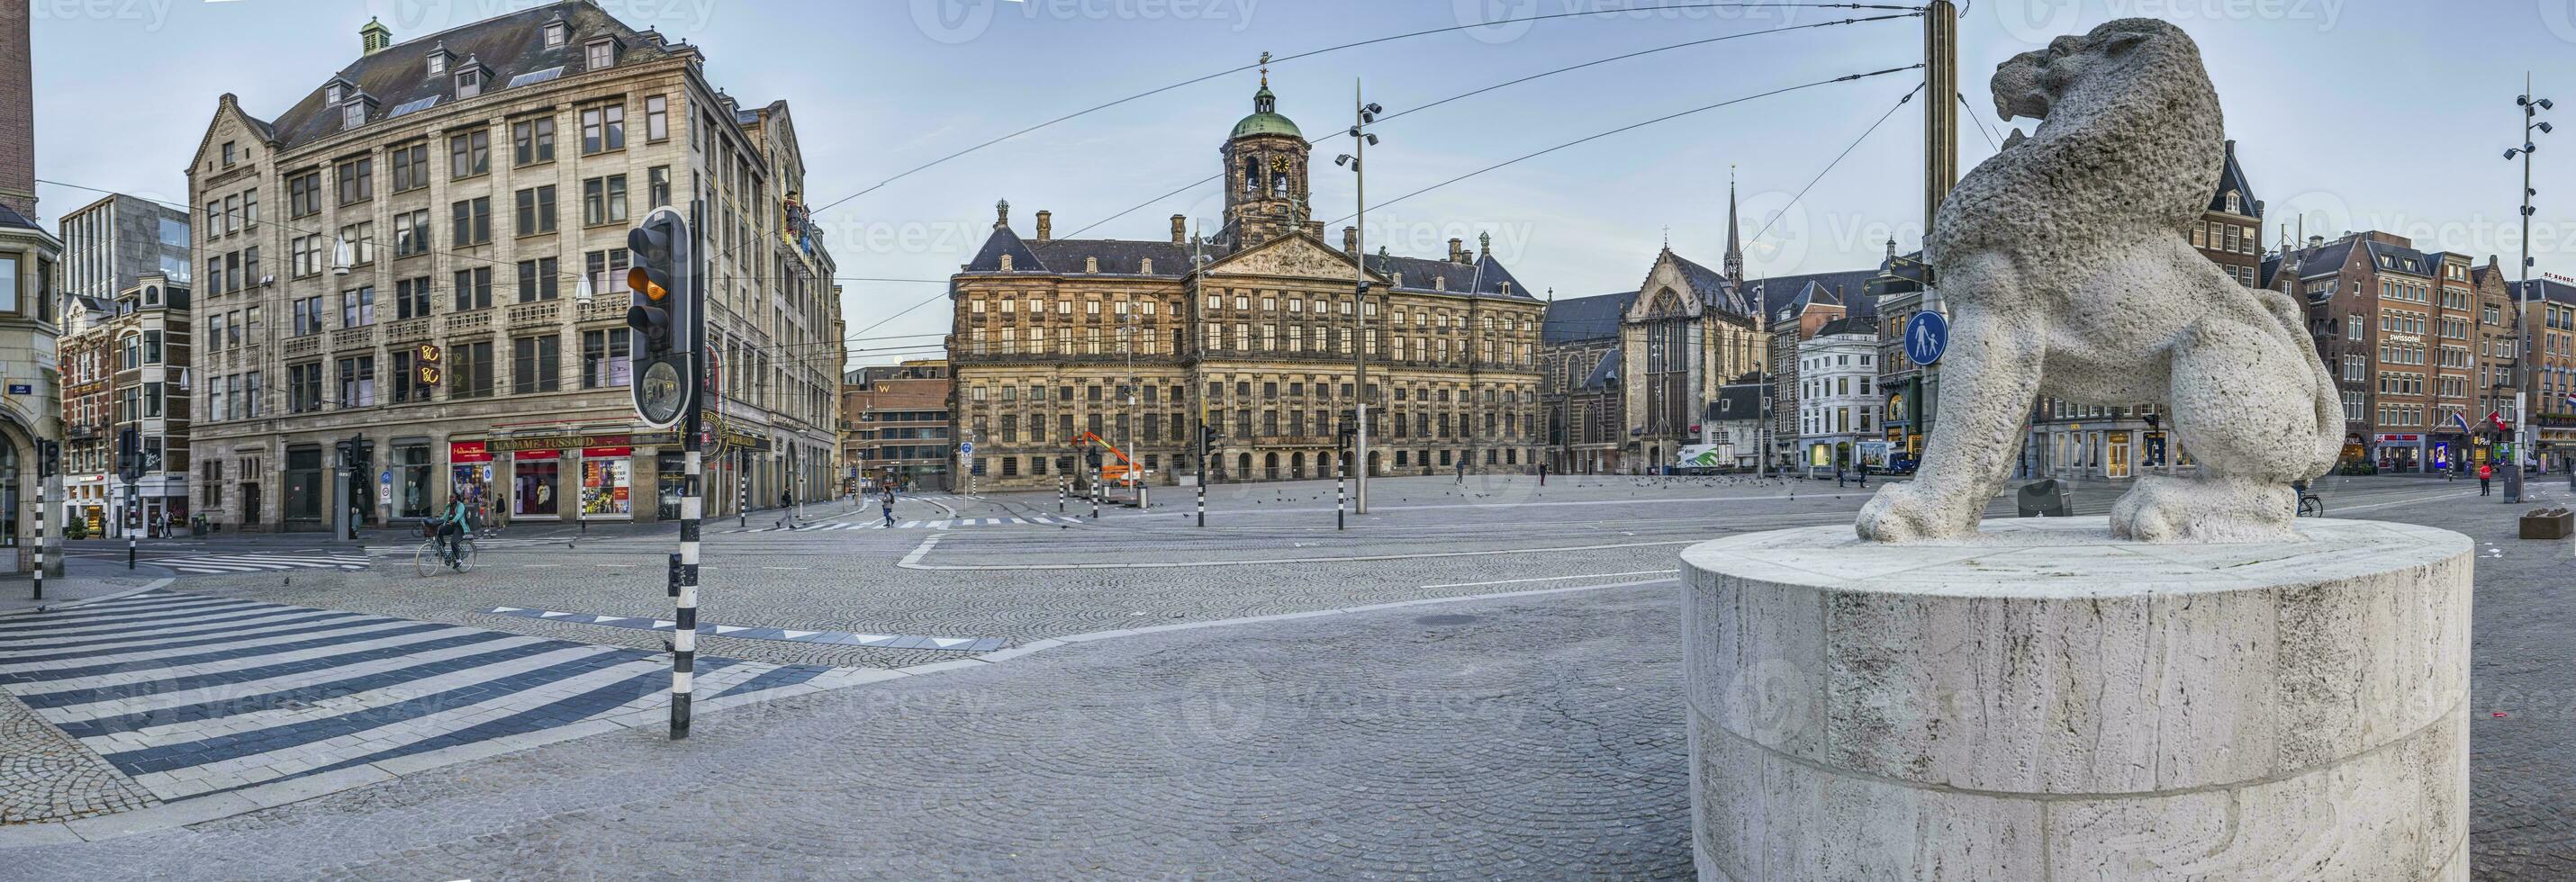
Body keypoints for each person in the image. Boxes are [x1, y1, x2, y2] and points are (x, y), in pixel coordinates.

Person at [437, 494, 471, 567]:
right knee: (439, 530)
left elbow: (459, 514)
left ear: (456, 498)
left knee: (453, 541)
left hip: (460, 527)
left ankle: (459, 560)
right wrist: (437, 522)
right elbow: (445, 517)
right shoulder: (449, 506)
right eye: (450, 497)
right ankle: (442, 544)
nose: (450, 498)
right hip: (452, 526)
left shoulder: (460, 505)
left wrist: (453, 520)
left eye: (452, 497)